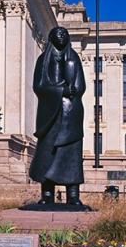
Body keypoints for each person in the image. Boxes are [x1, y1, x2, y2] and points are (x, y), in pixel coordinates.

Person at [29, 26, 86, 206]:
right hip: (50, 115)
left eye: (64, 34)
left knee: (71, 155)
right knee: (47, 154)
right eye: (58, 33)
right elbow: (38, 86)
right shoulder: (42, 60)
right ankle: (47, 195)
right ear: (51, 37)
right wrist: (61, 90)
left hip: (71, 113)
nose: (61, 36)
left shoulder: (74, 58)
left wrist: (72, 90)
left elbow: (81, 86)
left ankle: (73, 196)